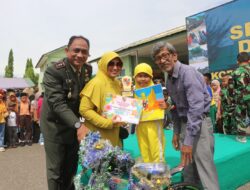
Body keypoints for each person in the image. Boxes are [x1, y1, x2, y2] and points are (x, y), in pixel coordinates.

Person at [152, 42, 219, 190]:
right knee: (188, 169)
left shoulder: (187, 73)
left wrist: (188, 142)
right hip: (184, 126)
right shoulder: (169, 80)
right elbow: (175, 108)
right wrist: (176, 132)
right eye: (158, 58)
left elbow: (196, 109)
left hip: (198, 125)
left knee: (205, 169)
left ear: (174, 56)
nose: (162, 60)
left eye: (165, 55)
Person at [41, 35, 92, 190]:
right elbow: (58, 104)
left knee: (70, 166)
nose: (80, 55)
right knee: (56, 170)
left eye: (85, 52)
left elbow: (87, 98)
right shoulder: (53, 71)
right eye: (76, 50)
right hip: (54, 127)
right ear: (67, 50)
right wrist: (79, 125)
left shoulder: (87, 69)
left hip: (74, 126)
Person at [79, 51, 124, 147]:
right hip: (98, 136)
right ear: (104, 64)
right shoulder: (95, 83)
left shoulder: (117, 83)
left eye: (119, 64)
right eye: (111, 63)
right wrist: (107, 123)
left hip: (114, 134)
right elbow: (84, 109)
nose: (115, 67)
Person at [133, 63, 167, 162]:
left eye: (146, 76)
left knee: (156, 147)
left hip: (154, 123)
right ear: (135, 77)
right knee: (144, 147)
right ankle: (148, 170)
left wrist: (165, 105)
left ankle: (160, 173)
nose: (143, 79)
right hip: (140, 124)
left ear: (151, 77)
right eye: (139, 76)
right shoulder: (133, 91)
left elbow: (163, 104)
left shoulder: (156, 90)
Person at [229, 52, 250, 143]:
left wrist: (232, 99)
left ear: (237, 61)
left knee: (241, 116)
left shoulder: (235, 72)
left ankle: (242, 137)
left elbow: (230, 89)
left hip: (241, 98)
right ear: (249, 60)